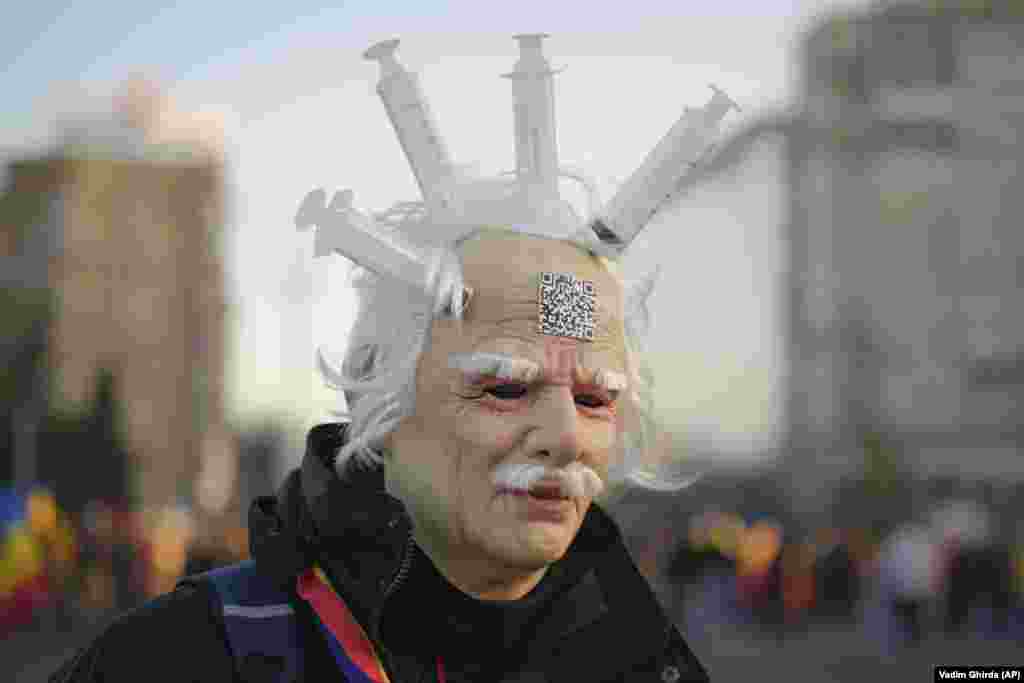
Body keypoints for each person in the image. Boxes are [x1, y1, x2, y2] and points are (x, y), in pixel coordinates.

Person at [51, 35, 728, 682]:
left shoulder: (648, 659)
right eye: (504, 387)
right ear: (380, 400)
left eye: (596, 399)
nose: (567, 436)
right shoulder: (177, 661)